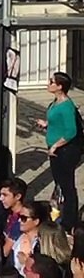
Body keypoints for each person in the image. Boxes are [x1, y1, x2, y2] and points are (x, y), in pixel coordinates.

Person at [36, 71, 80, 230]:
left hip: (65, 151)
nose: (48, 84)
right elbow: (57, 121)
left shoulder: (66, 106)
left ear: (60, 86)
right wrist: (46, 124)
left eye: (51, 82)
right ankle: (58, 212)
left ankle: (69, 221)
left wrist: (56, 145)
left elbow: (71, 131)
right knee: (59, 183)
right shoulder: (56, 102)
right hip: (55, 149)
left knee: (67, 185)